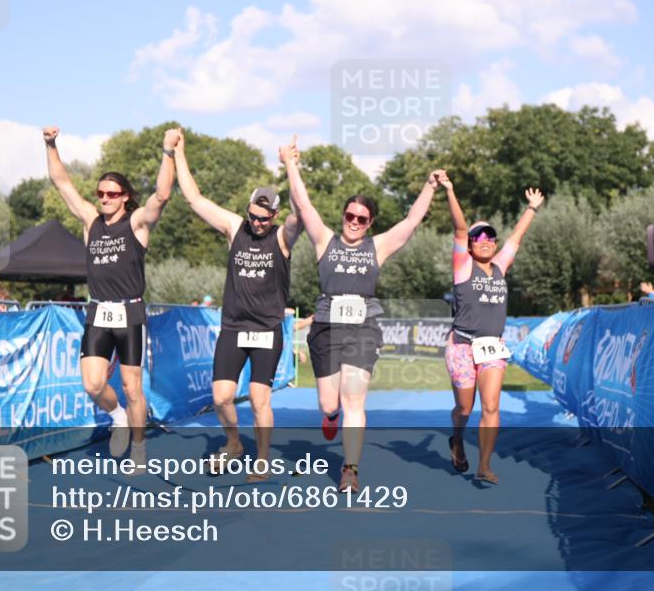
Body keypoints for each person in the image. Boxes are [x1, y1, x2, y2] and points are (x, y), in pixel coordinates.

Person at [282, 141, 444, 491]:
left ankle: (350, 469)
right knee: (329, 403)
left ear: (370, 223)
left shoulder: (377, 247)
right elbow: (304, 204)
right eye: (350, 216)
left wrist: (429, 187)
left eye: (362, 219)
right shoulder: (325, 240)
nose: (354, 222)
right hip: (326, 328)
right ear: (343, 216)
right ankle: (330, 416)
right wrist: (290, 163)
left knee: (354, 399)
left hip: (363, 330)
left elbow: (411, 221)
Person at [44, 125, 175, 469]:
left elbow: (161, 195)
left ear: (125, 197)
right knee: (92, 384)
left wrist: (168, 151)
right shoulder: (91, 221)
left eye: (112, 194)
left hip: (130, 313)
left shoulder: (137, 224)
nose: (104, 198)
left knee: (132, 387)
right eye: (101, 193)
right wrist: (51, 144)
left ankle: (139, 449)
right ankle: (118, 416)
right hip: (99, 311)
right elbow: (61, 182)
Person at [173, 132, 302, 481]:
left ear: (274, 215)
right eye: (253, 216)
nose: (257, 223)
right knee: (221, 397)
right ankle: (234, 444)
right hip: (234, 327)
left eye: (264, 218)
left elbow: (301, 212)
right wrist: (179, 153)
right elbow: (194, 198)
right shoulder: (235, 228)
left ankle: (262, 459)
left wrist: (291, 166)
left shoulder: (281, 237)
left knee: (260, 400)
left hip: (266, 330)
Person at [439, 172, 544, 484]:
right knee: (464, 409)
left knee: (492, 405)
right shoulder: (463, 268)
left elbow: (516, 238)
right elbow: (459, 229)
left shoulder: (499, 267)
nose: (485, 240)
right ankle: (457, 438)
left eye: (490, 236)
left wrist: (531, 208)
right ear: (470, 246)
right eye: (478, 237)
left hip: (492, 347)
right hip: (461, 346)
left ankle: (484, 465)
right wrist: (450, 190)